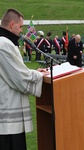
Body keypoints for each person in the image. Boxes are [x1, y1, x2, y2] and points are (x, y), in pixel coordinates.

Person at [0, 8, 49, 150]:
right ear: (11, 25)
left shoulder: (5, 42)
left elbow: (13, 71)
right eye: (20, 27)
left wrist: (33, 71)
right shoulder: (4, 44)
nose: (21, 31)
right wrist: (39, 75)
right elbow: (19, 78)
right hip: (7, 109)